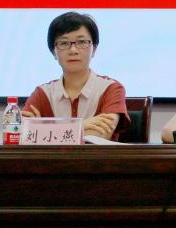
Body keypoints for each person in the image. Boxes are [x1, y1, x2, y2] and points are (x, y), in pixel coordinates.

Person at [22, 12, 129, 141]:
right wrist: (82, 126)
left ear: (94, 49)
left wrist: (45, 131)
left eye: (82, 42)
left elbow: (101, 135)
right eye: (64, 43)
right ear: (54, 52)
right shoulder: (42, 94)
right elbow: (25, 135)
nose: (73, 50)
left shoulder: (111, 89)